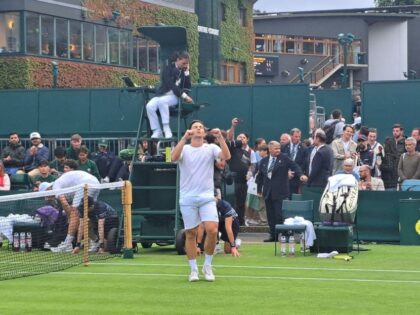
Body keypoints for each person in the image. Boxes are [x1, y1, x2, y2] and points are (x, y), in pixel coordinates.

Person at [171, 120, 231, 282]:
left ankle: (207, 265)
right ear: (190, 131)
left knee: (212, 230)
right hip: (188, 197)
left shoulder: (211, 148)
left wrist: (220, 138)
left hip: (206, 197)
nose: (198, 129)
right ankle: (193, 270)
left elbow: (226, 156)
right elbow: (173, 158)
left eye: (200, 127)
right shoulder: (184, 148)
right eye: (195, 127)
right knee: (190, 233)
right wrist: (183, 139)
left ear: (204, 133)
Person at [256, 141, 307, 242]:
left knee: (280, 215)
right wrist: (259, 189)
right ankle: (273, 235)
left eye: (279, 148)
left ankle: (285, 235)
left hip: (281, 192)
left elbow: (295, 166)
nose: (278, 150)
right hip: (268, 193)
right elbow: (260, 176)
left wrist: (300, 174)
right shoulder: (264, 161)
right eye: (275, 148)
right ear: (270, 149)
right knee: (270, 216)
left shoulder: (284, 158)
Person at [39, 170, 100, 253]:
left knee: (75, 215)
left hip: (85, 184)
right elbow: (69, 208)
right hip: (96, 183)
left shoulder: (56, 186)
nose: (47, 198)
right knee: (88, 216)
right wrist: (71, 218)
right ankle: (96, 241)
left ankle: (67, 244)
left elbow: (66, 205)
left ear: (48, 189)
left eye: (46, 195)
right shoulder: (63, 186)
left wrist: (71, 218)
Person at [146, 51, 193, 139]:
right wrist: (185, 96)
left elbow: (187, 87)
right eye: (183, 63)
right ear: (178, 60)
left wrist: (187, 73)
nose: (185, 65)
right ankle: (157, 130)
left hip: (174, 97)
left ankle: (166, 128)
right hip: (163, 94)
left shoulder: (184, 71)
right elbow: (170, 84)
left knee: (162, 102)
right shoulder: (167, 69)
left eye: (187, 64)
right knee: (149, 106)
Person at [282, 128, 307, 195]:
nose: (298, 138)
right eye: (296, 136)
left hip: (296, 179)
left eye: (299, 136)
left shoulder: (304, 148)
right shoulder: (284, 147)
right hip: (284, 178)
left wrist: (294, 173)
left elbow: (304, 164)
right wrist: (286, 172)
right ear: (291, 136)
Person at [382, 124, 406, 190]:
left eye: (397, 131)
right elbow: (386, 154)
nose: (395, 132)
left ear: (401, 132)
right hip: (390, 171)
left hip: (401, 169)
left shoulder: (406, 142)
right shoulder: (388, 141)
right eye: (393, 131)